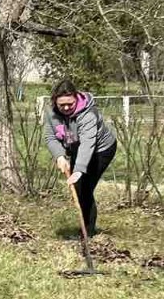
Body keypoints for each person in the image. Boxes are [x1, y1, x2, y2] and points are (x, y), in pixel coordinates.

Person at [44, 77, 117, 237]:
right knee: (78, 187)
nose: (66, 107)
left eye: (70, 103)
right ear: (55, 102)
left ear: (76, 97)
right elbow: (50, 136)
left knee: (85, 188)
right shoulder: (52, 114)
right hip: (77, 146)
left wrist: (79, 169)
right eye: (61, 105)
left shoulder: (88, 114)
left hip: (101, 150)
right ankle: (85, 228)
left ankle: (87, 233)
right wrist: (59, 156)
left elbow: (87, 144)